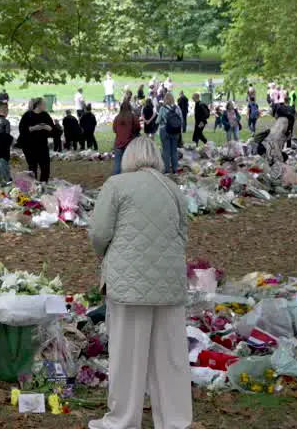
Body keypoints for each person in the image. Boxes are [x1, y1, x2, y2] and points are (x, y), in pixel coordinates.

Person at [87, 137, 191, 429]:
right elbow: (183, 233)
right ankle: (175, 420)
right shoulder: (172, 189)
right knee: (170, 358)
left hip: (128, 282)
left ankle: (123, 419)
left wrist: (104, 256)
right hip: (169, 282)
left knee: (127, 356)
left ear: (127, 157)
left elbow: (99, 232)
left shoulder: (117, 185)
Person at [18, 98, 55, 182]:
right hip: (29, 146)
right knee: (32, 167)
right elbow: (22, 129)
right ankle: (33, 186)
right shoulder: (28, 115)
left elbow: (53, 130)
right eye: (44, 104)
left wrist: (48, 128)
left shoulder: (45, 115)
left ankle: (43, 184)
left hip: (42, 145)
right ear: (38, 105)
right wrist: (34, 128)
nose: (45, 105)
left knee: (45, 167)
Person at [111, 100, 141, 176]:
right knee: (130, 163)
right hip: (129, 143)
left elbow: (114, 130)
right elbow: (138, 128)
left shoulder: (117, 117)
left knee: (117, 163)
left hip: (118, 143)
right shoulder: (132, 117)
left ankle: (116, 178)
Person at [157, 93, 182, 174]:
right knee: (174, 151)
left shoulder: (162, 108)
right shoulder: (177, 108)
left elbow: (158, 120)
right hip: (175, 131)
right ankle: (175, 169)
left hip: (164, 130)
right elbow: (181, 119)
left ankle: (167, 169)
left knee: (166, 151)